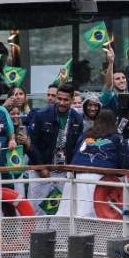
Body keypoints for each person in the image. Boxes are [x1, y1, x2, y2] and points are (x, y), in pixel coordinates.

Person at [58, 109, 129, 218]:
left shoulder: (85, 135)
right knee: (94, 215)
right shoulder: (116, 138)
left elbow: (74, 153)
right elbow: (123, 163)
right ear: (114, 122)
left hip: (75, 176)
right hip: (99, 178)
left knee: (71, 213)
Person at [29, 83, 84, 214]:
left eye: (66, 100)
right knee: (38, 211)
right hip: (40, 171)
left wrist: (70, 169)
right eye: (59, 98)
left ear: (71, 100)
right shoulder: (42, 115)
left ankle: (56, 235)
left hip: (62, 171)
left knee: (56, 211)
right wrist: (41, 167)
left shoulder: (77, 119)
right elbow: (30, 144)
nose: (62, 102)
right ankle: (36, 235)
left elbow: (77, 148)